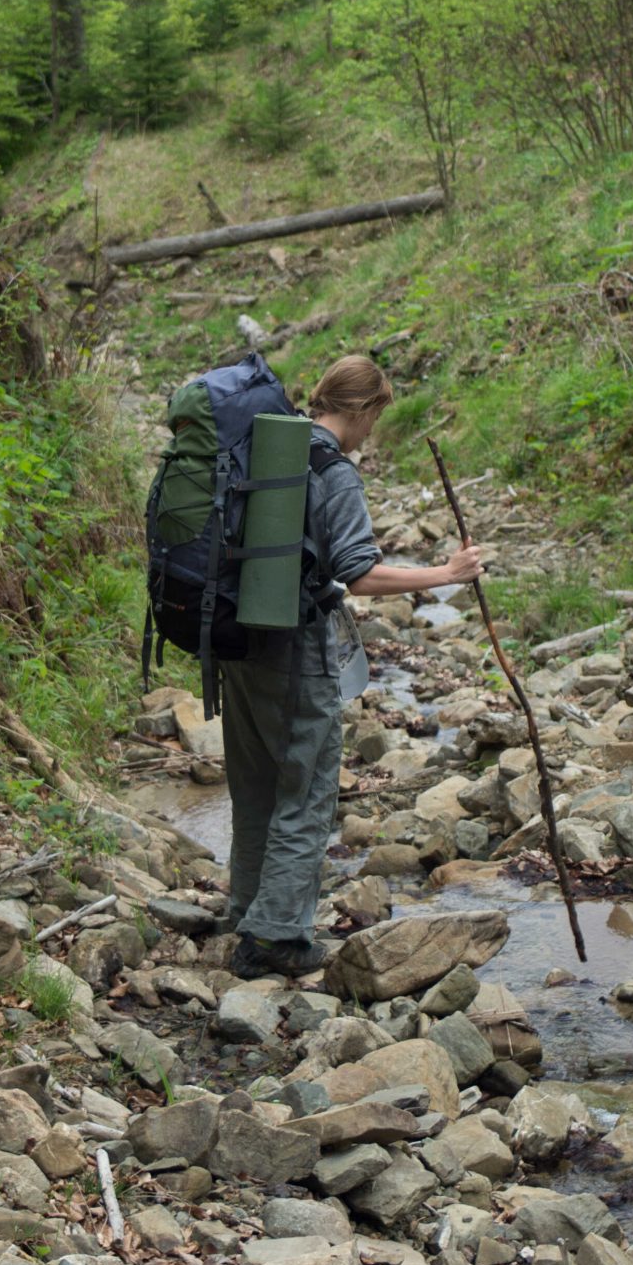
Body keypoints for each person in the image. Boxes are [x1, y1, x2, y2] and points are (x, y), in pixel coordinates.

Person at [220, 353, 489, 979]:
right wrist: (445, 574)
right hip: (293, 645)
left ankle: (247, 910)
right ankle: (276, 936)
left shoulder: (265, 445)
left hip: (237, 635)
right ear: (364, 410)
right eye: (375, 419)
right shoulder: (330, 468)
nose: (371, 435)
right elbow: (358, 572)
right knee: (308, 787)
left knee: (257, 781)